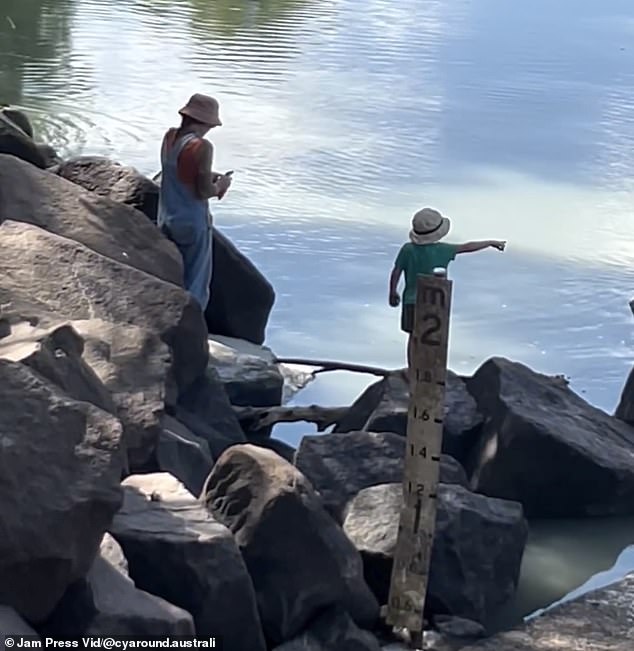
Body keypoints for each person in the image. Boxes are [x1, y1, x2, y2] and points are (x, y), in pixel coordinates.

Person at [389, 207, 506, 377]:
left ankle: (412, 369)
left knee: (413, 337)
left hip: (410, 301)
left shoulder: (407, 249)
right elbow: (467, 247)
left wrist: (392, 292)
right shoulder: (443, 250)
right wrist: (490, 243)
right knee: (433, 339)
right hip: (434, 303)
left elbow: (396, 271)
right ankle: (429, 371)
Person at [157, 93, 233, 310]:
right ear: (206, 122)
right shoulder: (202, 147)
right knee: (196, 281)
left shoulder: (170, 138)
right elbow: (203, 191)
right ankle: (191, 328)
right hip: (192, 222)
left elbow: (178, 174)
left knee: (169, 275)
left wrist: (208, 174)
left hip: (166, 218)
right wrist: (221, 185)